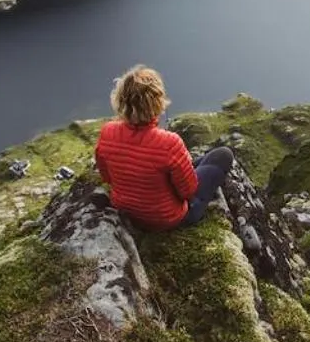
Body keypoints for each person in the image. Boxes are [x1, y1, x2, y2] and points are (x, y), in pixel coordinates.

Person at [92, 65, 234, 231]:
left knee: (187, 164)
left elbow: (107, 177)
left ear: (120, 100)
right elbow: (188, 192)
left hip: (126, 212)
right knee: (223, 155)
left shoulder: (107, 132)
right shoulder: (169, 143)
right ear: (157, 102)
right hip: (168, 220)